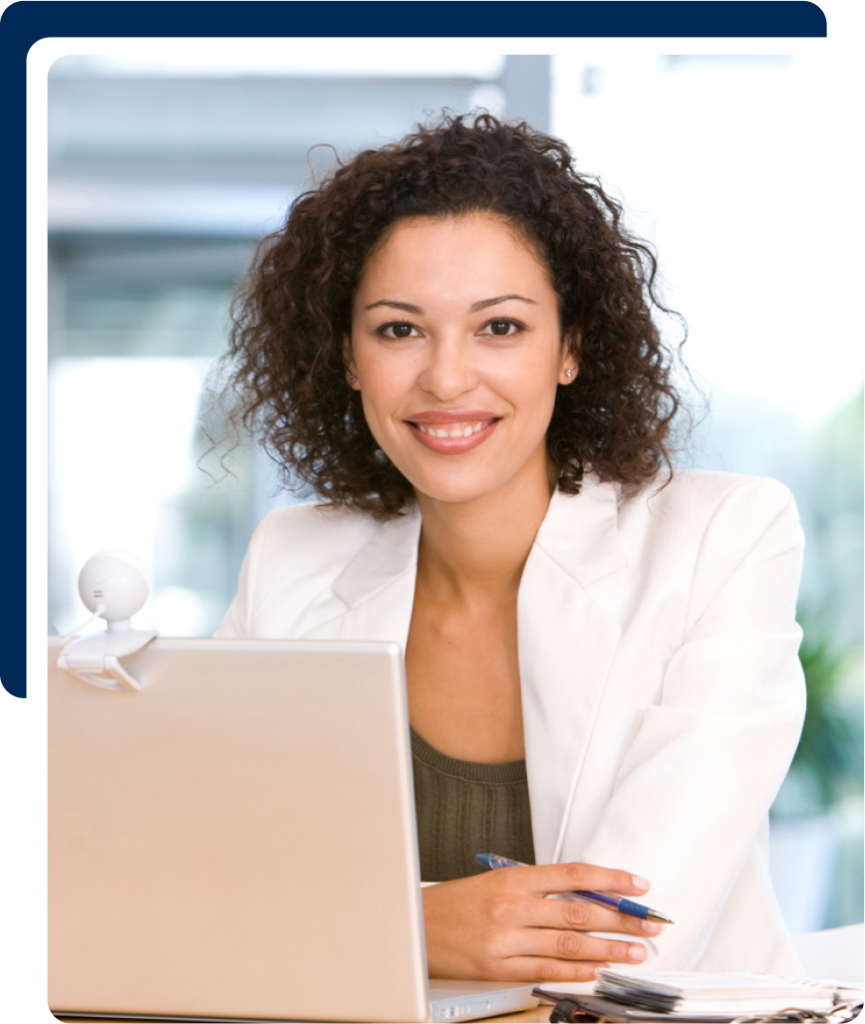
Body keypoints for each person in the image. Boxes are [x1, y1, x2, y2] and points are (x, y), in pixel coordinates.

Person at [214, 113, 806, 981]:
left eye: (499, 327)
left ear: (569, 347)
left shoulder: (724, 538)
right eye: (397, 329)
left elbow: (622, 929)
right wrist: (417, 925)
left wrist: (381, 927)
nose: (447, 378)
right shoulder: (291, 557)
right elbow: (217, 888)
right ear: (345, 356)